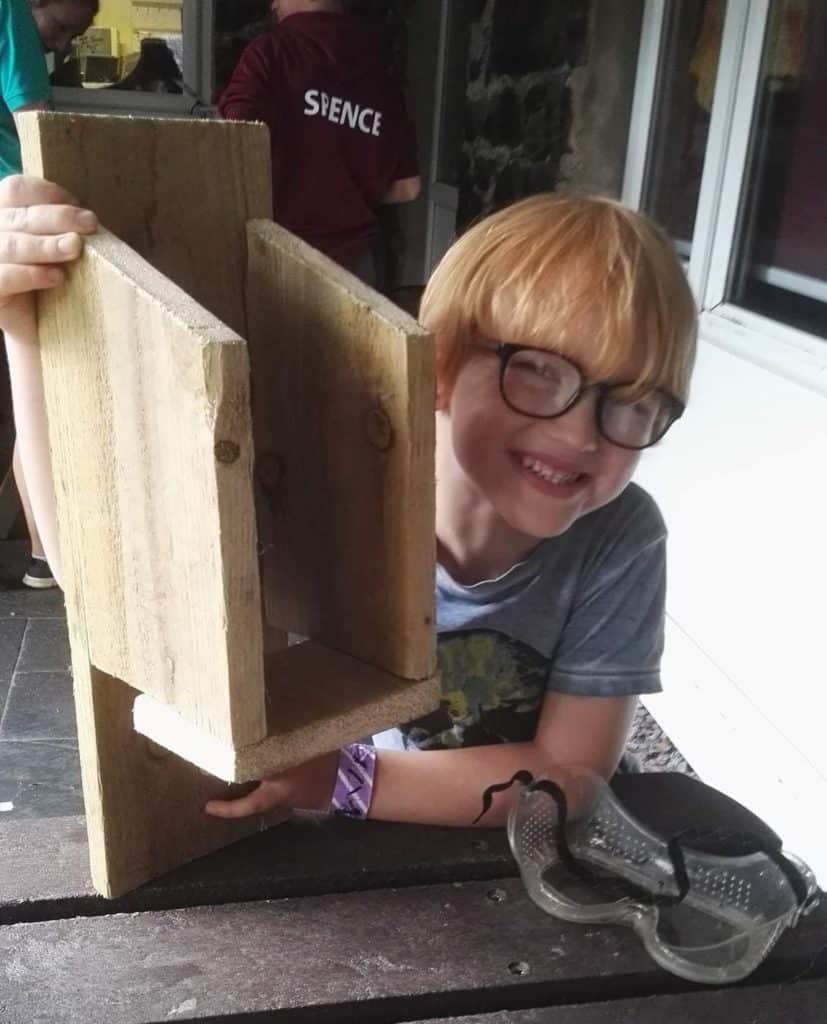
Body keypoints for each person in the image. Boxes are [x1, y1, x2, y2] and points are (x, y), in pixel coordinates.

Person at [0, 176, 697, 828]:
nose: (579, 433)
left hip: (508, 853)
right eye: (539, 373)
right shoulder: (334, 479)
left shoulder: (620, 537)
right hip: (354, 845)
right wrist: (28, 327)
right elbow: (97, 578)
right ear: (440, 364)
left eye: (632, 403)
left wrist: (346, 780)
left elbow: (571, 773)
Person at [217, 0, 420, 284]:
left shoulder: (270, 55)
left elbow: (235, 145)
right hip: (356, 270)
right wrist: (346, 186)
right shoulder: (382, 79)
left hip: (279, 260)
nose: (272, 4)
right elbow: (408, 188)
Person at [1, 0, 97, 588]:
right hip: (23, 221)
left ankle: (40, 553)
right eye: (62, 29)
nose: (60, 44)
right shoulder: (9, 12)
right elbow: (36, 122)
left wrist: (19, 328)